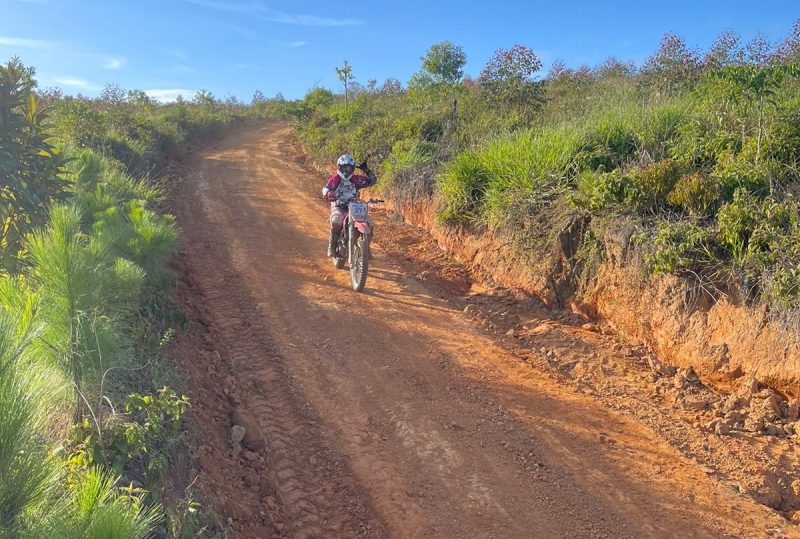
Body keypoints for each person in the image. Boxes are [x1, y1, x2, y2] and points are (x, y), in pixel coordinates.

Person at [322, 153, 377, 257]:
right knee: (336, 220)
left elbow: (372, 181)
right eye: (344, 168)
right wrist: (329, 193)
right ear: (339, 167)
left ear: (352, 168)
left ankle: (366, 248)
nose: (346, 171)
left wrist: (366, 170)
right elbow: (325, 188)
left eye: (349, 168)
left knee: (370, 223)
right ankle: (332, 246)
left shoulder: (356, 179)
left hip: (354, 206)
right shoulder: (335, 179)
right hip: (339, 205)